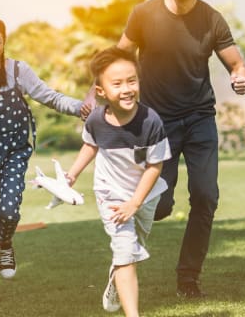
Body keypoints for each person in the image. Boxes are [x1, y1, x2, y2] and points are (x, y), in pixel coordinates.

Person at [117, 0, 245, 297]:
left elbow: (235, 63)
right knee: (157, 206)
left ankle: (188, 277)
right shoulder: (144, 14)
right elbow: (120, 55)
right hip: (157, 124)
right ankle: (134, 243)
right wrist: (100, 94)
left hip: (199, 120)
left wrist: (240, 76)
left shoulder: (211, 19)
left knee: (206, 196)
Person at [0, 16, 89, 307]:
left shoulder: (18, 70)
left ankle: (5, 243)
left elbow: (49, 96)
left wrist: (80, 107)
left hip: (15, 151)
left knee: (7, 211)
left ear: (4, 41)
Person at [67, 46, 171, 317]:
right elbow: (90, 146)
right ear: (101, 91)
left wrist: (135, 202)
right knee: (126, 250)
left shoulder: (151, 121)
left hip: (144, 195)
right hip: (110, 194)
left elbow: (154, 166)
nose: (127, 89)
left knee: (135, 249)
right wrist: (73, 174)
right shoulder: (96, 120)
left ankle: (117, 276)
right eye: (117, 83)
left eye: (132, 81)